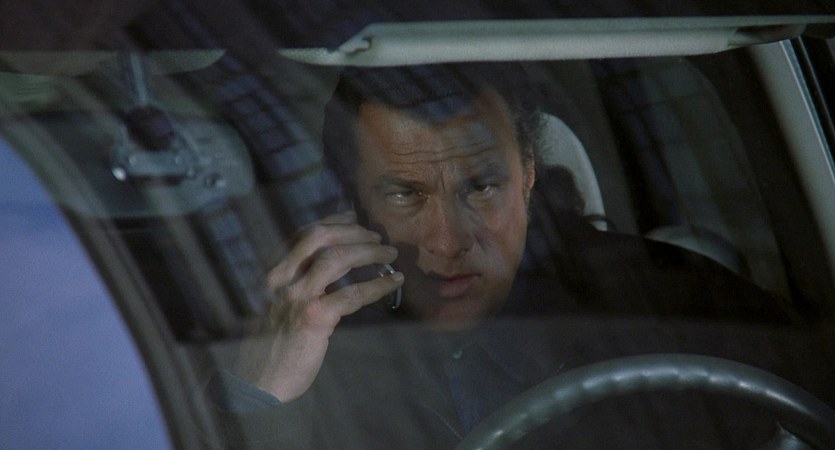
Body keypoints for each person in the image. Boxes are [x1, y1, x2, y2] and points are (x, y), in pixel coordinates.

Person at [207, 63, 797, 448]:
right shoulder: (315, 348)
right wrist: (261, 399)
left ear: (529, 175)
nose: (448, 241)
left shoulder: (677, 303)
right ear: (355, 201)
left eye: (482, 187)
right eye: (405, 195)